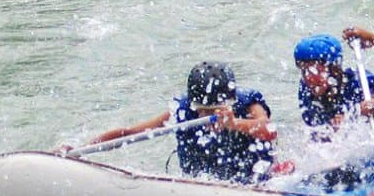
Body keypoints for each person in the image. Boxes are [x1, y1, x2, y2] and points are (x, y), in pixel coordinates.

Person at [63, 61, 278, 182]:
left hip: (251, 179)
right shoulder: (181, 111)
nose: (206, 117)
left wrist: (234, 124)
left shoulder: (247, 105)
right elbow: (129, 133)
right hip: (203, 182)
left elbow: (269, 130)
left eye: (215, 111)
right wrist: (80, 150)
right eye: (202, 110)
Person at [293, 34, 374, 132]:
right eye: (304, 71)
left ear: (334, 69)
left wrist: (356, 112)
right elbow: (315, 129)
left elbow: (373, 106)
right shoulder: (307, 89)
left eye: (315, 71)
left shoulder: (359, 84)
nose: (308, 77)